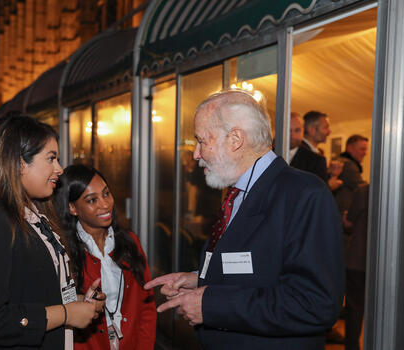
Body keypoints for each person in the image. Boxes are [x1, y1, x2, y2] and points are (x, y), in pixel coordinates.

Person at [145, 90, 345, 349]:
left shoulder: (305, 193)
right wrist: (200, 279)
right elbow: (259, 267)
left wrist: (211, 304)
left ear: (235, 139)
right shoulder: (238, 192)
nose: (196, 154)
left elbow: (315, 304)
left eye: (202, 141)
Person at [0, 115, 104, 349]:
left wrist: (78, 302)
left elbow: (29, 292)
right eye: (51, 158)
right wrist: (66, 314)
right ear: (19, 164)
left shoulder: (34, 215)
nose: (59, 169)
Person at [54, 164, 157, 350]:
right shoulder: (63, 251)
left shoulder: (130, 242)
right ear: (72, 208)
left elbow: (146, 307)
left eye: (106, 193)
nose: (105, 204)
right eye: (92, 200)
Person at [342, 184, 370, 350]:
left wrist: (344, 215)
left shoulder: (363, 191)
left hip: (357, 259)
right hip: (383, 263)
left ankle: (352, 347)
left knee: (354, 309)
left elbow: (348, 224)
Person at [291, 111, 343, 190]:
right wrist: (329, 185)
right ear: (312, 130)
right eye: (326, 127)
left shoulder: (318, 154)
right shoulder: (304, 153)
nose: (329, 132)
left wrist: (329, 173)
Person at [334, 135, 369, 215]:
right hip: (344, 215)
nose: (365, 153)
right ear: (349, 148)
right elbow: (362, 187)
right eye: (362, 149)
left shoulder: (342, 161)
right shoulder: (347, 164)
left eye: (366, 150)